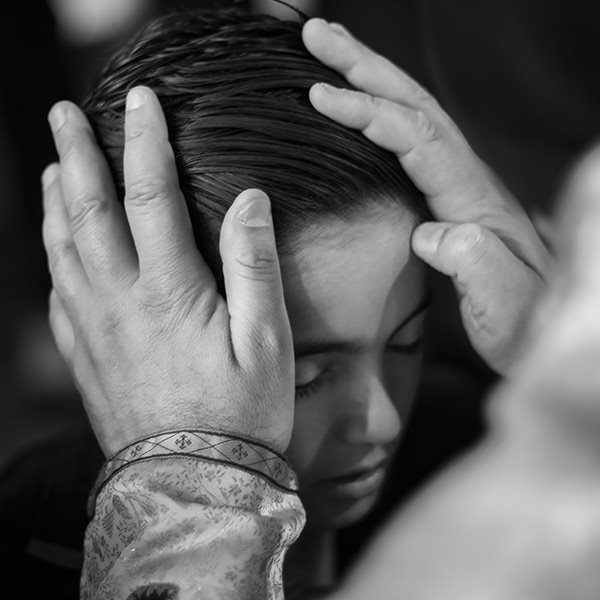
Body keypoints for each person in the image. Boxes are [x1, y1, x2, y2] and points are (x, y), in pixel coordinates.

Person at [42, 9, 551, 600]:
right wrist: (189, 483)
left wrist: (560, 355)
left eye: (408, 342)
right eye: (302, 377)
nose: (382, 421)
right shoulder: (26, 532)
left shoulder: (484, 450)